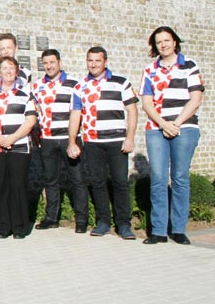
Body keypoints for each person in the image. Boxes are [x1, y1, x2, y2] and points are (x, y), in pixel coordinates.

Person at [139, 27, 204, 245]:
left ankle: (178, 229)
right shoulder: (150, 70)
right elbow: (147, 103)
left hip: (184, 128)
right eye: (159, 42)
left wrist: (175, 124)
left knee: (180, 178)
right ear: (154, 46)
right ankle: (158, 230)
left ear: (175, 42)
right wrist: (163, 123)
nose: (163, 45)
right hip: (157, 128)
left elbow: (195, 99)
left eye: (167, 40)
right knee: (158, 178)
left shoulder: (189, 66)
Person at [67, 46, 138, 240]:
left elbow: (132, 110)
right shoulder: (80, 87)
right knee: (97, 183)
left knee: (120, 183)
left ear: (105, 61)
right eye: (90, 60)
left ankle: (123, 224)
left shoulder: (121, 82)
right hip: (92, 142)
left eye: (97, 60)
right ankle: (103, 222)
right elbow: (75, 115)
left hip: (117, 142)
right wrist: (72, 141)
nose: (94, 64)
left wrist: (130, 137)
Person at [31, 49, 89, 233]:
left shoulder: (75, 84)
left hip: (69, 138)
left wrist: (75, 139)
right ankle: (51, 217)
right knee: (51, 180)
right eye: (45, 63)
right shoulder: (37, 86)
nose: (49, 66)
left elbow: (80, 112)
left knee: (77, 179)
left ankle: (81, 220)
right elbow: (35, 111)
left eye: (52, 62)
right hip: (47, 139)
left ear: (59, 62)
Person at [0, 56, 38, 239]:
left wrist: (12, 138)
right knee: (0, 186)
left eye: (11, 68)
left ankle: (20, 226)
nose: (8, 71)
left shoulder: (26, 94)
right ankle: (3, 226)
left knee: (17, 185)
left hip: (20, 147)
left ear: (17, 72)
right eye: (4, 68)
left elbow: (31, 120)